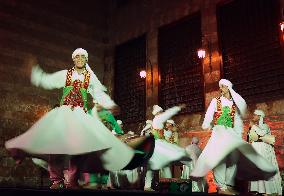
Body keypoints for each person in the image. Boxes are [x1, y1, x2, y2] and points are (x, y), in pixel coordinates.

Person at [5, 48, 135, 189]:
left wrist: (110, 104)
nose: (80, 59)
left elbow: (98, 93)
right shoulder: (65, 74)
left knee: (79, 147)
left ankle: (72, 180)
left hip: (80, 115)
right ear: (73, 59)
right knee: (55, 146)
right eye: (77, 57)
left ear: (86, 60)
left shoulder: (89, 77)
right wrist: (35, 72)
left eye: (82, 57)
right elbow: (47, 80)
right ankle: (56, 180)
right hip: (64, 113)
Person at [190, 79, 276, 195]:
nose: (221, 89)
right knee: (220, 158)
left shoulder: (233, 105)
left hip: (230, 133)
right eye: (220, 87)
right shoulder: (216, 101)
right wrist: (206, 123)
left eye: (223, 87)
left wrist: (238, 134)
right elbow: (210, 113)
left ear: (229, 88)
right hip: (219, 131)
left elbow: (237, 121)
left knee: (234, 157)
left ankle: (228, 184)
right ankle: (221, 186)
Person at [143, 104, 191, 191]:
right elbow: (167, 114)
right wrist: (178, 108)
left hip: (158, 144)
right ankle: (167, 185)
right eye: (161, 112)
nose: (162, 113)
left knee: (157, 165)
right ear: (158, 113)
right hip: (158, 145)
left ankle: (151, 185)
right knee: (162, 165)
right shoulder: (158, 119)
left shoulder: (157, 121)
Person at [248, 109, 282, 195]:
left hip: (263, 149)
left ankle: (267, 190)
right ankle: (259, 190)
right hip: (256, 148)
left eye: (255, 115)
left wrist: (253, 126)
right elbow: (250, 137)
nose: (254, 116)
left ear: (259, 116)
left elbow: (262, 133)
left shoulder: (265, 126)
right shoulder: (254, 126)